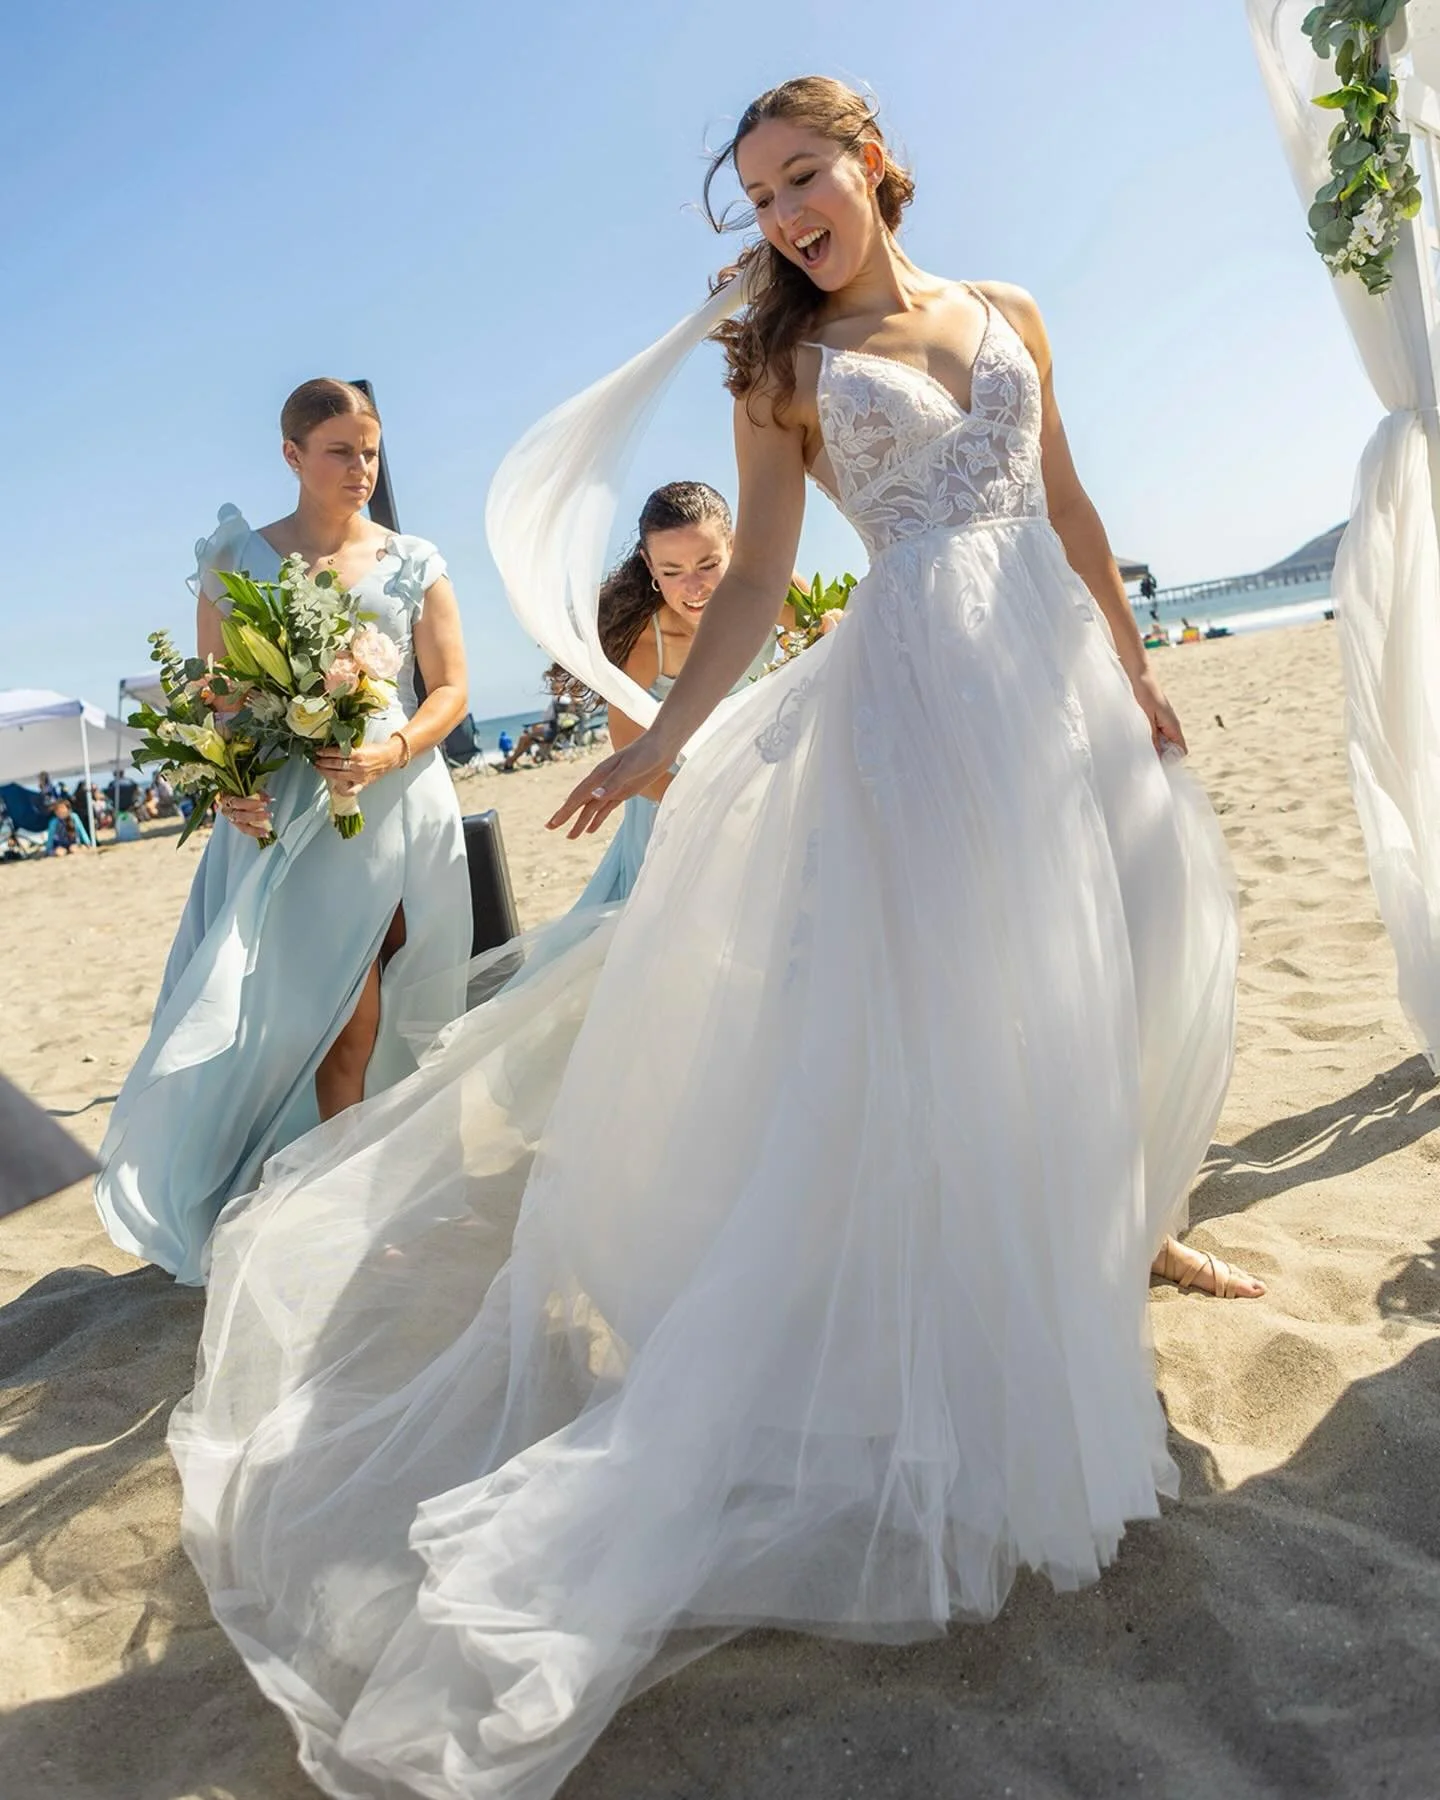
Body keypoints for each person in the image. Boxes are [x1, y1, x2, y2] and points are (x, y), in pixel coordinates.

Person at [171, 79, 1250, 1798]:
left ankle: (1118, 1242)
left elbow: (1068, 505)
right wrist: (658, 741)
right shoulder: (780, 368)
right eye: (758, 197)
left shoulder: (1011, 311)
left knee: (1097, 966)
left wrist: (1131, 666)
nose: (785, 215)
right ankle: (977, 1337)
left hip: (1052, 681)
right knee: (961, 1007)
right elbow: (752, 584)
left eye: (803, 176)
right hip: (922, 705)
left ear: (872, 163)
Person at [94, 378, 472, 1286]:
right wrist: (230, 786)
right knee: (310, 1011)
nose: (361, 467)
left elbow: (452, 688)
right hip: (284, 813)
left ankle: (375, 1194)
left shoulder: (414, 559)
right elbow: (217, 699)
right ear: (292, 456)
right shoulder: (236, 557)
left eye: (370, 451)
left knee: (382, 1005)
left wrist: (389, 752)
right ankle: (319, 1199)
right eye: (340, 451)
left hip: (393, 799)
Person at [573, 479, 794, 907]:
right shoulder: (648, 644)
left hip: (765, 788)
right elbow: (630, 754)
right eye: (672, 572)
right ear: (649, 565)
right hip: (675, 799)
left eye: (707, 565)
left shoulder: (775, 594)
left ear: (734, 547)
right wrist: (718, 811)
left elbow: (833, 646)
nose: (693, 589)